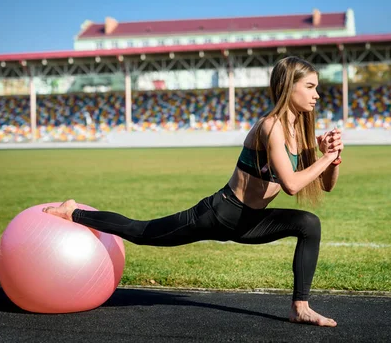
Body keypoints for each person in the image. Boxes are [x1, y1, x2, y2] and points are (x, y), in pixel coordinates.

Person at [44, 56, 344, 327]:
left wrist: (333, 156)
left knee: (308, 224)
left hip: (249, 221)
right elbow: (292, 185)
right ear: (288, 87)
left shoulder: (298, 133)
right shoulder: (270, 127)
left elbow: (327, 185)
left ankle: (300, 307)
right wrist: (326, 158)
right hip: (219, 213)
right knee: (142, 232)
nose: (317, 94)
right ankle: (74, 212)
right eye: (310, 86)